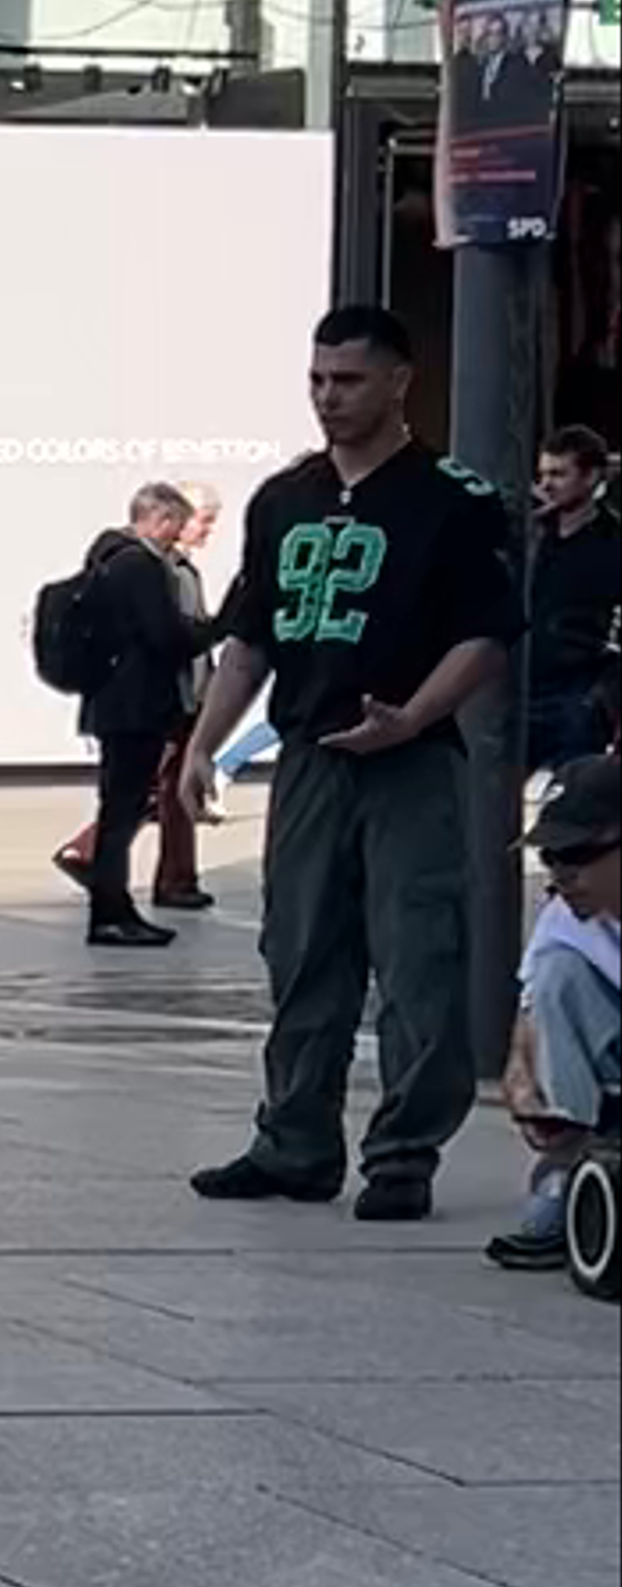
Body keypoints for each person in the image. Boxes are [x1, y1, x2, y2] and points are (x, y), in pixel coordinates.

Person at [178, 298, 517, 1221]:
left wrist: (412, 717)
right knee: (300, 951)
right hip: (313, 757)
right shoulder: (283, 500)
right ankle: (293, 1142)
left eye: (349, 380)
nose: (329, 398)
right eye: (318, 380)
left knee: (418, 959)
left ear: (400, 380)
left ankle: (403, 1154)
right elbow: (251, 638)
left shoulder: (454, 499)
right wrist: (204, 743)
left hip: (410, 763)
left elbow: (487, 636)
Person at [46, 497, 204, 954]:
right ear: (161, 520)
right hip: (137, 707)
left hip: (111, 704)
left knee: (121, 807)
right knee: (124, 810)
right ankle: (111, 913)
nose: (178, 535)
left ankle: (113, 910)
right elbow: (165, 637)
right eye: (178, 524)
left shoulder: (108, 561)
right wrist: (211, 630)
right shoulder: (140, 566)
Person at [489, 749, 621, 1277]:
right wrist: (523, 1077)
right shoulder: (566, 915)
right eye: (550, 860)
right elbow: (533, 1008)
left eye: (578, 854)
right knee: (558, 975)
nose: (562, 876)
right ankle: (572, 1163)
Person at [520, 427, 622, 775]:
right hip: (519, 682)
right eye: (543, 474)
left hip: (577, 690)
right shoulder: (528, 535)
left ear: (591, 477)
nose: (546, 484)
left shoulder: (612, 543)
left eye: (559, 474)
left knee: (573, 801)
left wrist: (604, 694)